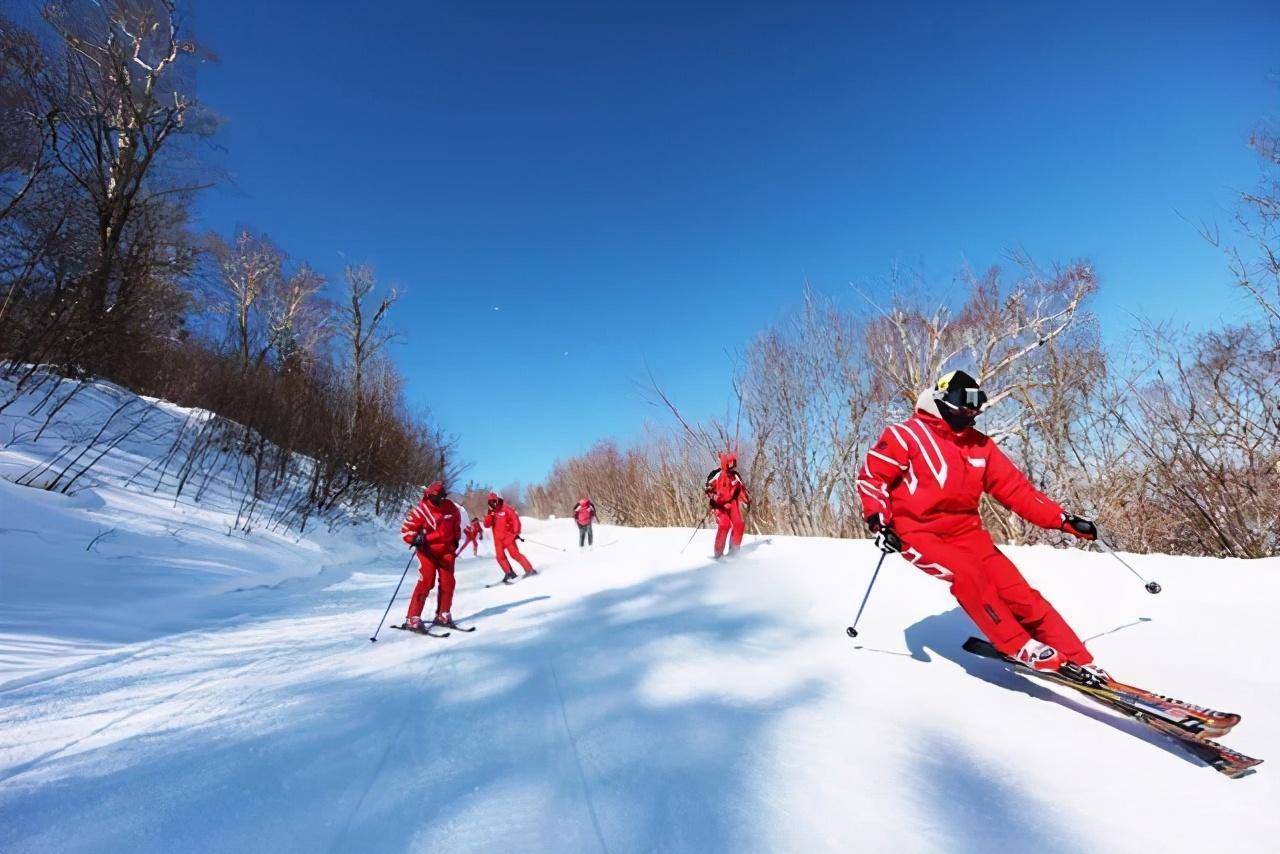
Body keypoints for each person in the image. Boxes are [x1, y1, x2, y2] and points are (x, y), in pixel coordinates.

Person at [856, 369, 1103, 676]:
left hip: (968, 534)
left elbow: (1017, 491)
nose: (972, 409)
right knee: (969, 574)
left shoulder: (980, 446)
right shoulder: (904, 435)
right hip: (916, 532)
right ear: (942, 398)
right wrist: (879, 521)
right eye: (965, 400)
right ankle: (1016, 644)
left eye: (978, 402)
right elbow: (873, 477)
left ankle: (1081, 660)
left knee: (1020, 594)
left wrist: (1064, 520)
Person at [399, 481, 463, 631]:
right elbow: (406, 531)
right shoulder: (420, 511)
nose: (440, 500)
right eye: (436, 497)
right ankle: (413, 617)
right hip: (427, 551)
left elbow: (456, 524)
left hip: (447, 551)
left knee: (448, 583)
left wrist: (455, 540)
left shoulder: (451, 507)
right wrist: (416, 538)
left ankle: (443, 614)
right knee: (426, 582)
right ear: (428, 495)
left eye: (442, 497)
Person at [705, 451, 751, 558]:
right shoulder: (717, 475)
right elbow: (708, 490)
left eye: (734, 463)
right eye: (731, 463)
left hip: (732, 503)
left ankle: (734, 550)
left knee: (739, 524)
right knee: (724, 524)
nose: (733, 465)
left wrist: (747, 500)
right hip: (719, 505)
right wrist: (713, 498)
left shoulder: (735, 476)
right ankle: (718, 554)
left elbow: (741, 490)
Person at [483, 491, 536, 582]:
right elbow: (486, 525)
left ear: (499, 499)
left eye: (494, 501)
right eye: (491, 501)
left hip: (508, 537)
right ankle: (509, 573)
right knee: (500, 557)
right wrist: (490, 514)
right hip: (498, 540)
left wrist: (516, 533)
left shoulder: (506, 508)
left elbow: (515, 520)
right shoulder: (491, 512)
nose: (493, 503)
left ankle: (529, 569)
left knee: (514, 554)